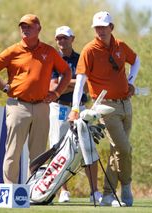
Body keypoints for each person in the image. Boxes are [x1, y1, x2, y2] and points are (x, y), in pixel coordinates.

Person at [0, 14, 71, 184]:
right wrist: (5, 87)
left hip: (41, 106)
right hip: (18, 105)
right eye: (22, 26)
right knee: (13, 152)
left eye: (29, 26)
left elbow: (66, 72)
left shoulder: (48, 51)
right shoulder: (13, 50)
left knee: (38, 155)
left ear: (39, 28)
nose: (25, 29)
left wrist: (57, 93)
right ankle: (10, 191)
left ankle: (35, 191)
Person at [68, 11, 140, 207]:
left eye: (104, 26)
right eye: (97, 27)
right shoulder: (89, 50)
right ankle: (124, 187)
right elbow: (81, 81)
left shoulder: (120, 46)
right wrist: (75, 108)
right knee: (124, 148)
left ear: (111, 28)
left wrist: (132, 81)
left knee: (117, 151)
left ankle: (108, 197)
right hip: (105, 106)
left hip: (126, 104)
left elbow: (136, 61)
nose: (100, 30)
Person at [49, 26, 102, 203]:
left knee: (88, 148)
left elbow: (87, 85)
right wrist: (75, 81)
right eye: (58, 39)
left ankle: (94, 191)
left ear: (72, 39)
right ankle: (63, 191)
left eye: (65, 38)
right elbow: (52, 86)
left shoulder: (81, 58)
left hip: (80, 108)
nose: (61, 42)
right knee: (58, 148)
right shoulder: (52, 59)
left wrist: (65, 82)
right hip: (59, 107)